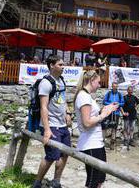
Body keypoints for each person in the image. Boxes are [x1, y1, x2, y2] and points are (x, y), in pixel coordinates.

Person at [33, 55, 72, 188]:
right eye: (60, 64)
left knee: (65, 154)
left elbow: (63, 98)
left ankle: (56, 181)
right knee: (51, 156)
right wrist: (47, 129)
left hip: (62, 125)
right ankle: (37, 183)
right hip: (51, 125)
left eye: (63, 64)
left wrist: (67, 112)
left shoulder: (61, 80)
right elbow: (44, 107)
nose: (63, 67)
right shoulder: (45, 83)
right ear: (51, 65)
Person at [74, 70, 118, 188]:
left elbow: (93, 116)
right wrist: (104, 115)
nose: (99, 85)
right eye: (98, 82)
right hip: (90, 143)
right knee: (93, 180)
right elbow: (87, 123)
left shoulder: (87, 96)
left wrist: (104, 110)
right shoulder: (83, 96)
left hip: (96, 142)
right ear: (91, 80)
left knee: (100, 178)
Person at [102, 82, 125, 150]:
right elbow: (104, 102)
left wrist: (118, 104)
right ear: (112, 87)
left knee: (114, 128)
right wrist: (111, 104)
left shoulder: (120, 95)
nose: (115, 87)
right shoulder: (108, 94)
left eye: (116, 86)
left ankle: (112, 143)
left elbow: (122, 103)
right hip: (108, 113)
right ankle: (102, 143)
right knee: (105, 127)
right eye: (113, 86)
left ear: (117, 87)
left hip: (116, 113)